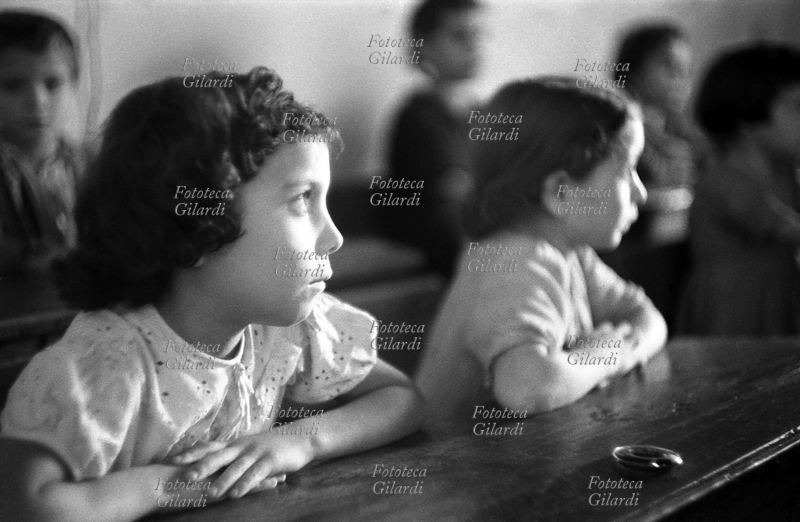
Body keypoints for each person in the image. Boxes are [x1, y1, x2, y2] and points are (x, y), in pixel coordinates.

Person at [0, 67, 425, 522]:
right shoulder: (107, 363)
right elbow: (27, 505)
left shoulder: (286, 328)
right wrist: (182, 486)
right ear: (200, 228)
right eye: (302, 199)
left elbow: (403, 400)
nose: (335, 237)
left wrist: (298, 441)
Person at [415, 79, 667, 424]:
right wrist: (605, 356)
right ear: (560, 192)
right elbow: (527, 389)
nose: (641, 193)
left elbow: (647, 317)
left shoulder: (569, 252)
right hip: (454, 469)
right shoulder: (514, 261)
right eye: (627, 172)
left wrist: (620, 349)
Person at [677, 44, 800, 335]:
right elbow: (785, 227)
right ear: (747, 115)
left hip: (778, 304)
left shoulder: (787, 174)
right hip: (735, 313)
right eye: (798, 106)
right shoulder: (723, 180)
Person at [385, 0, 483, 278]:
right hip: (441, 250)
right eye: (460, 35)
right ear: (425, 45)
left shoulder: (483, 113)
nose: (473, 45)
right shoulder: (418, 117)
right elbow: (459, 189)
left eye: (477, 35)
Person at [0, 10, 87, 274]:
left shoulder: (91, 164)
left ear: (73, 84)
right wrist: (23, 260)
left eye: (52, 83)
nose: (38, 101)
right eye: (13, 85)